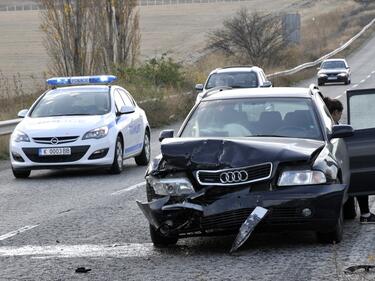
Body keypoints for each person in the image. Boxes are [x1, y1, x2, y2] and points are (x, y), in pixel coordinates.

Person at [324, 97, 375, 223]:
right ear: (335, 112)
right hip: (337, 166)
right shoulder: (334, 128)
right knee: (360, 179)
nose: (339, 118)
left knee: (350, 213)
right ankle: (365, 214)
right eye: (339, 115)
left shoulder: (317, 124)